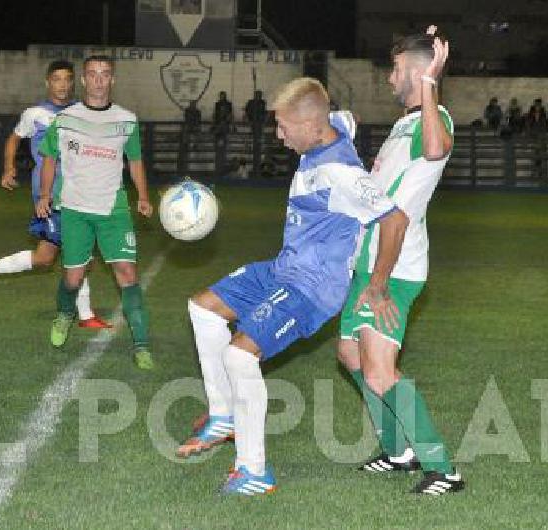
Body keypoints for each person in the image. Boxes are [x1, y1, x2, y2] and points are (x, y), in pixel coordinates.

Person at [175, 77, 403, 496]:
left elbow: (394, 219)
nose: (278, 136)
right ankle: (223, 415)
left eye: (284, 128)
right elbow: (337, 115)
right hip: (283, 269)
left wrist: (379, 283)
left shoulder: (342, 175)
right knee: (203, 308)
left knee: (239, 357)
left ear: (314, 128)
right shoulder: (328, 125)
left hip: (312, 288)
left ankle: (254, 471)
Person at [336, 26, 464, 496]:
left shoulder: (435, 120)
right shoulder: (402, 125)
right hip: (367, 264)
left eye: (394, 69)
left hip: (393, 269)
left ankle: (443, 468)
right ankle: (398, 451)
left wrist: (432, 81)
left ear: (413, 71)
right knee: (350, 354)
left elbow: (435, 150)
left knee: (379, 371)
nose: (389, 79)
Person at [0, 61, 111, 329]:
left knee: (46, 257)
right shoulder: (35, 113)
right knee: (79, 253)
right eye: (57, 79)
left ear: (74, 82)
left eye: (67, 80)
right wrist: (8, 168)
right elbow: (13, 139)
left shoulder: (83, 112)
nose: (62, 85)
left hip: (80, 193)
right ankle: (86, 316)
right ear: (48, 82)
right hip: (50, 195)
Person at [35, 55, 155, 369]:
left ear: (112, 80)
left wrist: (142, 195)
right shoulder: (65, 119)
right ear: (84, 80)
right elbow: (49, 158)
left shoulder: (127, 120)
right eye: (93, 74)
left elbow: (135, 161)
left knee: (128, 274)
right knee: (72, 278)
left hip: (113, 209)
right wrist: (45, 194)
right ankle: (64, 314)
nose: (99, 80)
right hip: (75, 208)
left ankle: (141, 346)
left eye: (105, 74)